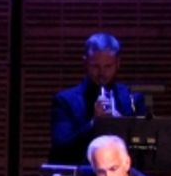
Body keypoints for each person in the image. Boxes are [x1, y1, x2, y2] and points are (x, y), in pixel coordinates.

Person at [49, 32, 144, 166]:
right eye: (95, 66)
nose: (101, 74)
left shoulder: (133, 98)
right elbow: (61, 149)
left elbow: (143, 149)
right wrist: (94, 124)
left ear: (118, 63)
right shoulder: (64, 101)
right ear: (85, 63)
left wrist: (121, 126)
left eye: (108, 66)